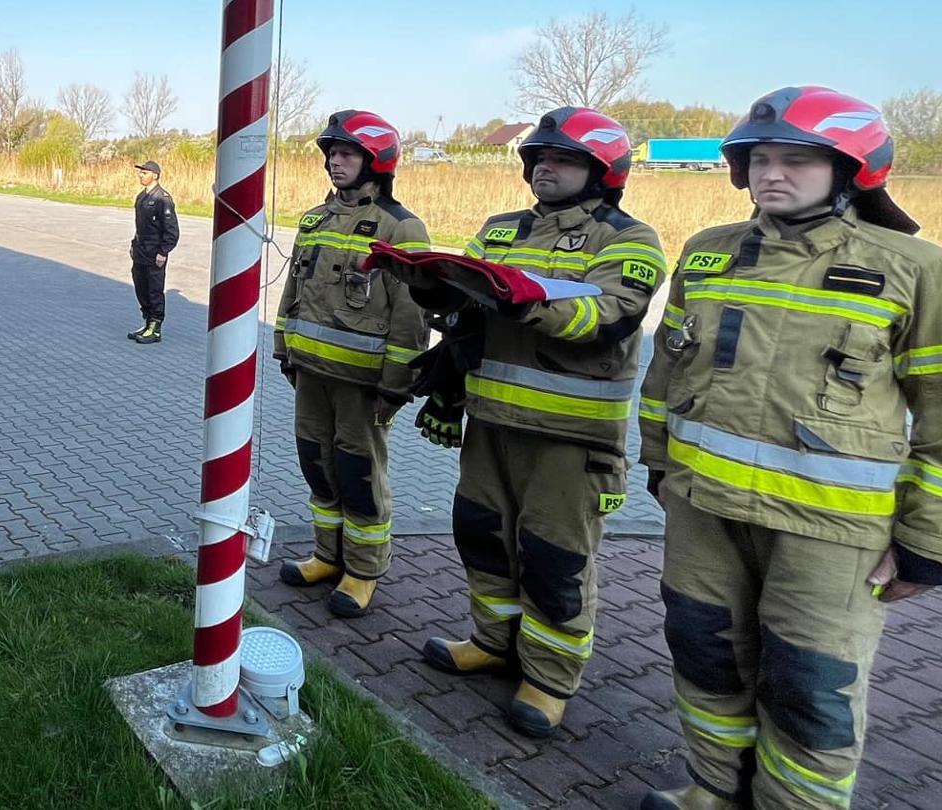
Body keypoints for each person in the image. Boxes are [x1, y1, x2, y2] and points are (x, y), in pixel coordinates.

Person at [635, 87, 941, 810]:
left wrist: (928, 540)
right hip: (702, 510)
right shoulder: (708, 253)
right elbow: (668, 369)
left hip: (830, 530)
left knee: (808, 686)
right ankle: (713, 789)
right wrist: (658, 463)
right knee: (705, 653)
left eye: (798, 160)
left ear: (853, 169)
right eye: (761, 158)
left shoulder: (913, 268)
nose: (773, 173)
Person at [390, 106, 666, 738]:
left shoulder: (628, 239)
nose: (544, 165)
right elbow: (463, 301)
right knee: (482, 535)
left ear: (603, 171)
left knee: (554, 557)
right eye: (538, 156)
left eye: (562, 158)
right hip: (492, 424)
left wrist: (528, 298)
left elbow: (609, 316)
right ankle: (491, 642)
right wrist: (427, 285)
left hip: (569, 439)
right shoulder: (500, 228)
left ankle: (546, 679)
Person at [273, 110, 432, 619]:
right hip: (311, 374)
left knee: (358, 472)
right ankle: (327, 555)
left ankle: (363, 570)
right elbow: (293, 289)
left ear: (376, 160)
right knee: (316, 464)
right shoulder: (314, 220)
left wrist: (397, 384)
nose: (335, 162)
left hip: (364, 384)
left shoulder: (400, 227)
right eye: (331, 153)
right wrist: (284, 347)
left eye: (346, 153)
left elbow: (412, 314)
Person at [127, 160, 179, 343]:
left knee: (154, 289)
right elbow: (139, 225)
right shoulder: (142, 197)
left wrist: (163, 251)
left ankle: (155, 328)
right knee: (140, 286)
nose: (141, 175)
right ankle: (147, 322)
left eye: (145, 173)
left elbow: (171, 230)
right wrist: (134, 245)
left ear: (155, 175)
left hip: (154, 251)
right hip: (140, 249)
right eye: (140, 173)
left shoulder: (162, 198)